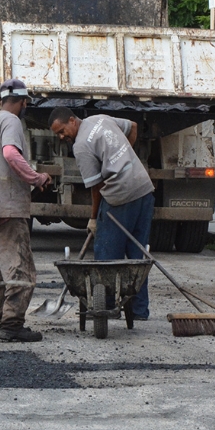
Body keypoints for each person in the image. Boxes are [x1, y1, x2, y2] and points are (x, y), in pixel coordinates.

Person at [48, 107, 154, 320]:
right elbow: (133, 126)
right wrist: (123, 158)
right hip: (144, 189)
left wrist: (94, 218)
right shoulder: (101, 118)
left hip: (121, 197)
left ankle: (105, 307)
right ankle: (139, 311)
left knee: (106, 255)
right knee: (138, 256)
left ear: (72, 120)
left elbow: (96, 188)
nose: (61, 137)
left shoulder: (81, 147)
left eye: (62, 131)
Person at [0, 79, 52, 342]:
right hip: (8, 208)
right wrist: (36, 178)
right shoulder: (11, 122)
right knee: (21, 272)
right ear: (23, 102)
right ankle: (12, 326)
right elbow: (10, 153)